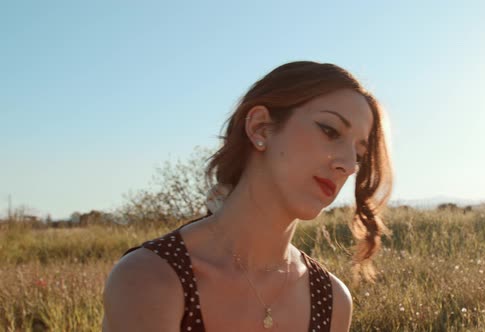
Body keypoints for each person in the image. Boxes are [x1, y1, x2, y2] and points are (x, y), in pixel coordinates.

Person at [102, 61, 393, 332]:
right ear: (260, 128)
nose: (347, 163)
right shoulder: (150, 279)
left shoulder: (331, 300)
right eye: (330, 131)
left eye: (359, 153)